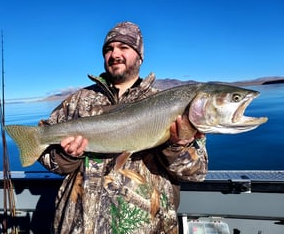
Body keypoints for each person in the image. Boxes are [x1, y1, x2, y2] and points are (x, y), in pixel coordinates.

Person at [38, 21, 208, 234]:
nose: (115, 54)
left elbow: (196, 173)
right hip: (80, 227)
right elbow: (46, 154)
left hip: (148, 227)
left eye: (124, 48)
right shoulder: (78, 102)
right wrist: (67, 157)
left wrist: (177, 147)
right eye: (109, 49)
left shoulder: (171, 104)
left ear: (140, 56)